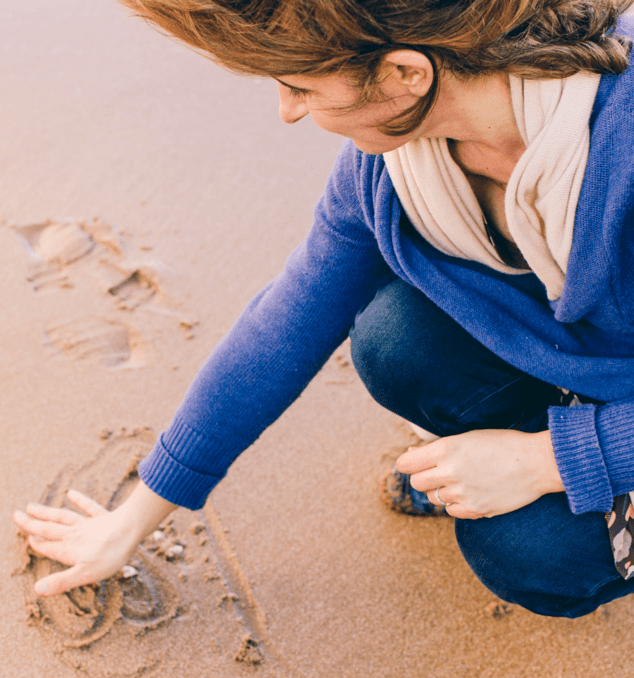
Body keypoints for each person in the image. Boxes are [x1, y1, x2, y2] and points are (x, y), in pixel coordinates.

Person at [13, 0, 634, 619]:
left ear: (405, 74)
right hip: (596, 359)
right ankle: (513, 446)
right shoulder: (388, 169)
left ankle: (543, 477)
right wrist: (135, 516)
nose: (286, 112)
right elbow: (284, 327)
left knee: (531, 553)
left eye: (301, 87)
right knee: (396, 342)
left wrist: (547, 461)